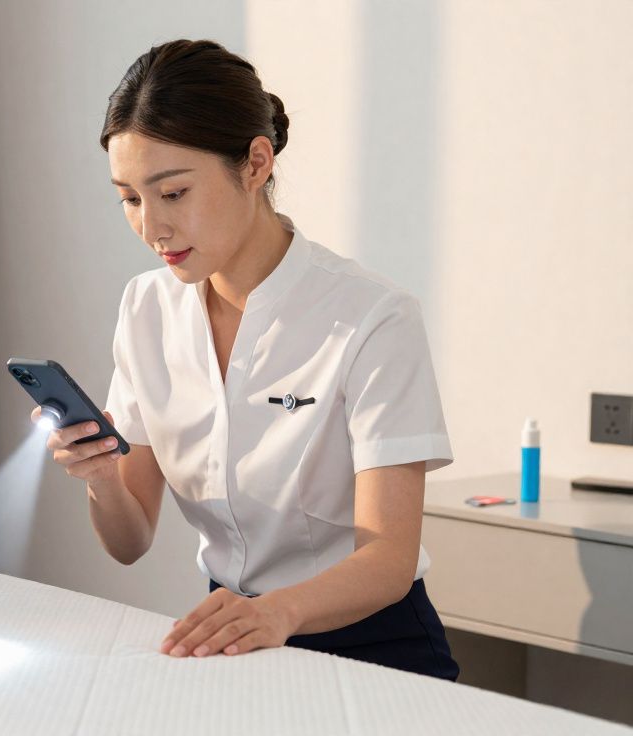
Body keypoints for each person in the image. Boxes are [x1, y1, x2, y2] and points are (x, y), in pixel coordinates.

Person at [33, 39, 460, 681]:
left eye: (173, 193)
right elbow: (129, 541)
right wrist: (99, 478)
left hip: (376, 648)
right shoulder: (147, 310)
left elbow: (388, 560)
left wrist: (276, 615)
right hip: (237, 638)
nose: (152, 228)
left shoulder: (372, 317)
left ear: (256, 162)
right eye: (129, 198)